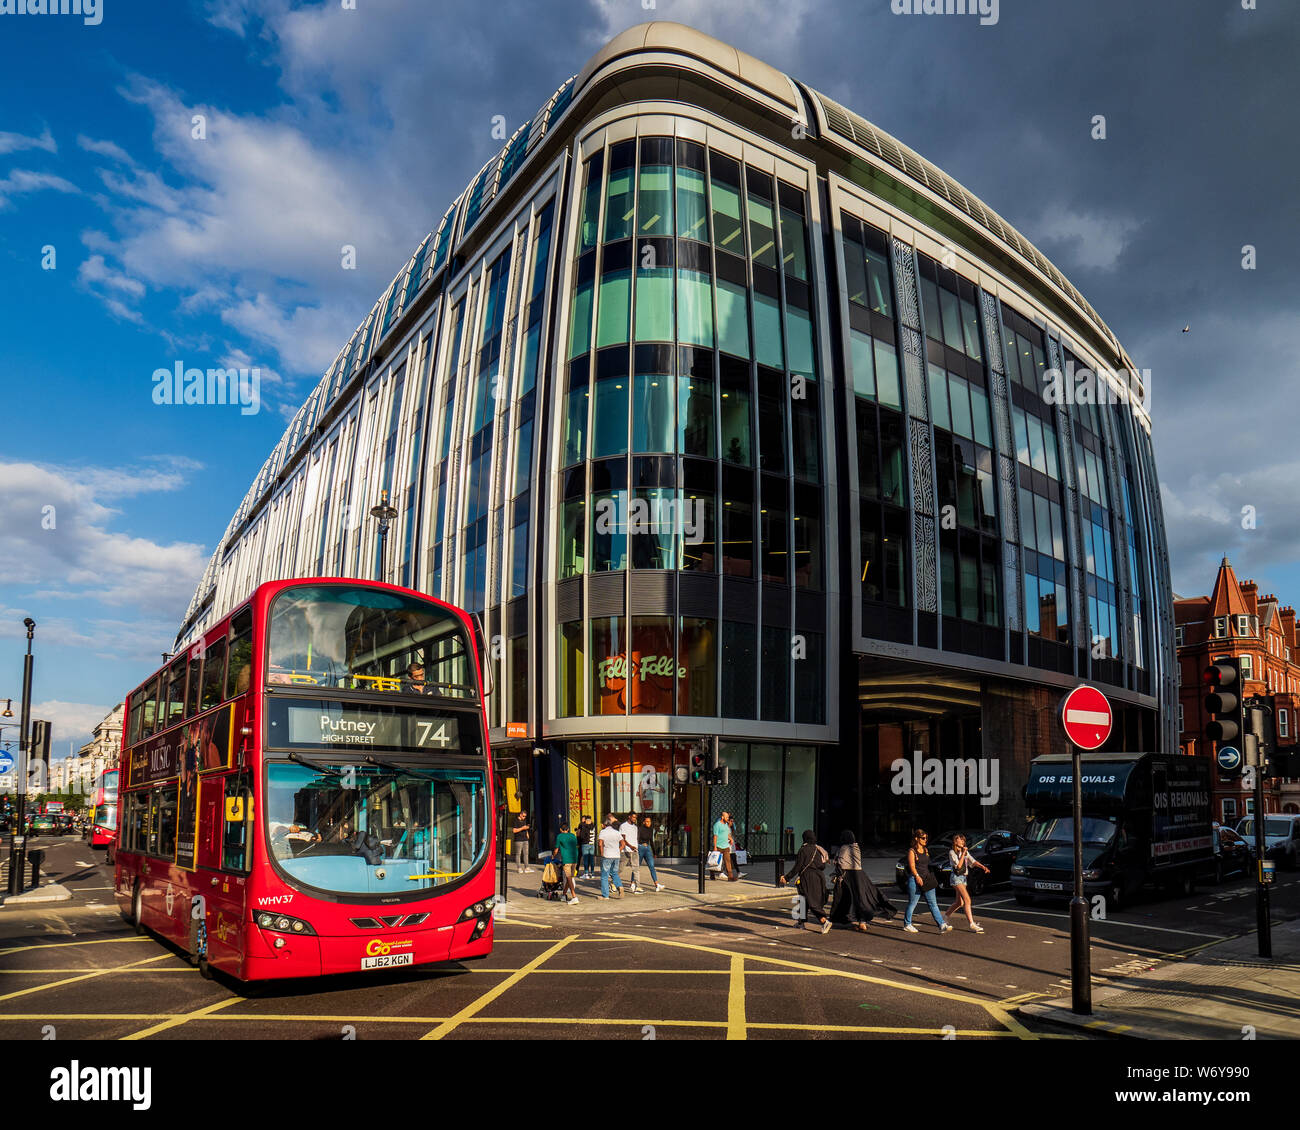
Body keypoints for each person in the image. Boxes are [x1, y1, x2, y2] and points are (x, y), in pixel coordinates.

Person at [829, 830, 896, 932]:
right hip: (860, 876)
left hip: (848, 876)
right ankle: (862, 922)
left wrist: (835, 866)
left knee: (845, 899)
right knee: (862, 899)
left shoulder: (844, 848)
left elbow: (841, 864)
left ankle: (843, 920)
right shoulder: (856, 847)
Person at [779, 830, 832, 934]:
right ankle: (801, 922)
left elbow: (798, 866)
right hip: (819, 877)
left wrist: (787, 878)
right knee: (804, 899)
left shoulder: (803, 850)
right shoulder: (818, 849)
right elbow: (822, 865)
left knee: (811, 900)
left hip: (808, 878)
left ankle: (824, 921)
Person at [903, 828, 953, 934]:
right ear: (916, 838)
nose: (925, 840)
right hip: (915, 879)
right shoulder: (912, 851)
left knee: (933, 903)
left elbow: (926, 865)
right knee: (913, 903)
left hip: (927, 879)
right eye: (923, 838)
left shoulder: (926, 850)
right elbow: (912, 866)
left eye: (926, 838)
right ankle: (907, 924)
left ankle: (941, 924)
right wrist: (917, 876)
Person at [944, 833, 989, 933]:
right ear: (956, 842)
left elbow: (972, 861)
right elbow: (959, 866)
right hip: (956, 878)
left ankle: (945, 917)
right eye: (961, 840)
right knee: (967, 899)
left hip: (964, 878)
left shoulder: (965, 852)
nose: (963, 842)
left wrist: (982, 867)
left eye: (964, 840)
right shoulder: (952, 852)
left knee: (959, 902)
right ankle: (972, 924)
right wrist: (963, 854)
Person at [596, 814, 625, 899]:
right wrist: (618, 850)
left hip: (607, 855)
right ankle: (620, 886)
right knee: (614, 873)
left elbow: (600, 843)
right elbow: (623, 844)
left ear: (605, 825)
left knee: (604, 875)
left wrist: (601, 853)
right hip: (616, 856)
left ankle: (605, 895)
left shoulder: (603, 832)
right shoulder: (617, 832)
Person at [554, 821, 580, 904]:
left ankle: (574, 896)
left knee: (568, 878)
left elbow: (556, 849)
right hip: (574, 858)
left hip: (566, 859)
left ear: (560, 829)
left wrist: (553, 856)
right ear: (568, 829)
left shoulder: (560, 836)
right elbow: (576, 845)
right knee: (570, 878)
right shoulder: (572, 835)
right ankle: (564, 895)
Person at [638, 814, 665, 892]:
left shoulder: (650, 829)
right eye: (647, 821)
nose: (648, 823)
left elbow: (651, 841)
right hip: (640, 848)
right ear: (643, 822)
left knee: (652, 866)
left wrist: (654, 852)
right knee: (637, 867)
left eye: (649, 821)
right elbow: (637, 839)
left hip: (648, 849)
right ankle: (633, 883)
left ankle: (657, 885)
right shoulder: (640, 829)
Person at [713, 810, 739, 881]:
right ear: (722, 817)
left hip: (726, 846)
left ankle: (730, 877)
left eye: (728, 817)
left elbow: (727, 834)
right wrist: (715, 846)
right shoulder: (717, 825)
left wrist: (731, 839)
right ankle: (712, 873)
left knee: (728, 861)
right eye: (726, 817)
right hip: (718, 846)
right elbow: (715, 836)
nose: (728, 818)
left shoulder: (726, 825)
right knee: (716, 861)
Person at [619, 813, 642, 892]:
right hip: (625, 851)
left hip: (634, 851)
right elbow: (623, 839)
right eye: (633, 817)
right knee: (620, 869)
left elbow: (635, 839)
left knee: (636, 869)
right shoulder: (623, 826)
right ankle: (613, 883)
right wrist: (630, 846)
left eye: (636, 817)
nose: (634, 819)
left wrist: (635, 847)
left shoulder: (635, 827)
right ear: (629, 817)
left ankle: (638, 887)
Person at [577, 814, 596, 879]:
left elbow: (581, 836)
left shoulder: (584, 827)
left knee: (585, 859)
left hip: (585, 844)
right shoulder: (593, 826)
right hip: (592, 844)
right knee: (591, 860)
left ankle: (586, 874)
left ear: (586, 820)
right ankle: (592, 873)